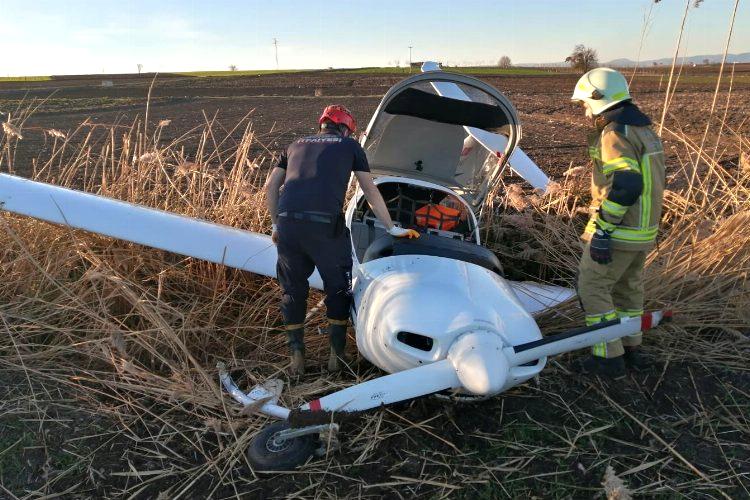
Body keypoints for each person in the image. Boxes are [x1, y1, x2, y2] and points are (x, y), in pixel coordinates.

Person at [265, 104, 419, 376]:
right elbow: (370, 190)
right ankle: (336, 358)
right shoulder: (350, 147)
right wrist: (391, 228)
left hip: (289, 224)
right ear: (346, 128)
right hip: (325, 226)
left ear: (322, 124)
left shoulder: (292, 146)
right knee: (338, 288)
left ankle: (296, 358)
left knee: (292, 291)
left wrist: (277, 223)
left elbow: (270, 186)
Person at [570, 68, 666, 378]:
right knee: (628, 290)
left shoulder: (615, 133)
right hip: (643, 231)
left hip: (620, 231)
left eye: (585, 103)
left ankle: (607, 358)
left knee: (592, 286)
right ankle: (631, 348)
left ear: (598, 99)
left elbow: (626, 185)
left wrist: (602, 231)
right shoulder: (644, 130)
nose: (585, 110)